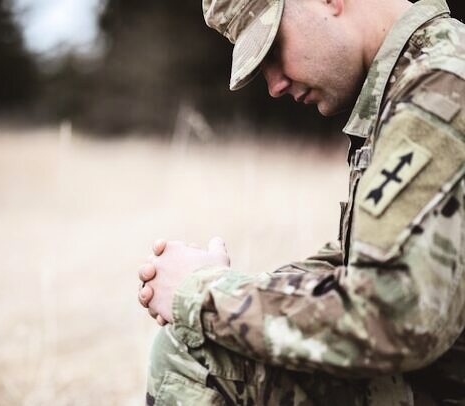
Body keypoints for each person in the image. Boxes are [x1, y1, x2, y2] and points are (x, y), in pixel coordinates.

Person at [136, 0, 465, 404]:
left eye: (274, 48)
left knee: (195, 355)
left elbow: (392, 316)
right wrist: (243, 293)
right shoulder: (420, 77)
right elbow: (359, 262)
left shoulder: (440, 89)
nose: (274, 85)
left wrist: (206, 294)